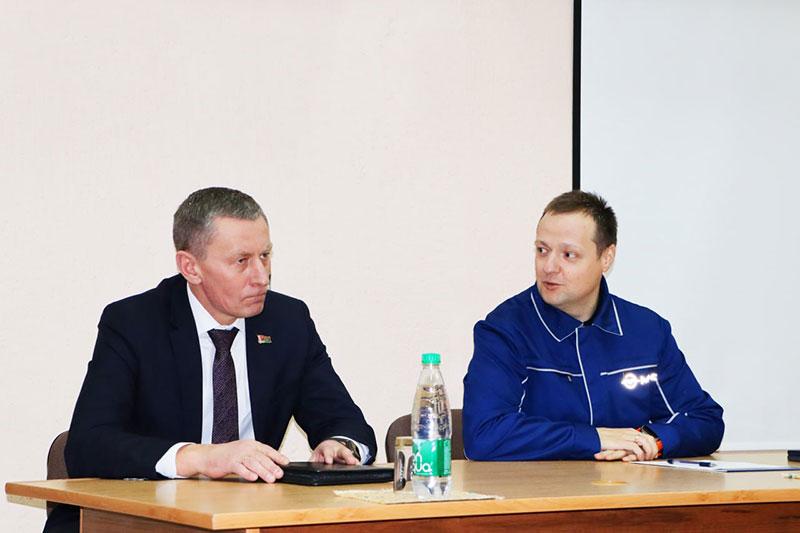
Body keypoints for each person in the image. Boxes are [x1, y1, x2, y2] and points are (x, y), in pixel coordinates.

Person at [46, 187, 376, 532]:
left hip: (245, 518)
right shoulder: (134, 323)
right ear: (191, 267)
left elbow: (346, 423)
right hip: (141, 518)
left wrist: (340, 445)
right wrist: (201, 457)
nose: (261, 276)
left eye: (265, 256)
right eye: (241, 261)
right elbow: (88, 445)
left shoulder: (287, 321)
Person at [462, 191, 723, 462]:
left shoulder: (647, 331)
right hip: (542, 487)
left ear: (606, 258)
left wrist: (651, 440)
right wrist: (595, 438)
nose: (549, 267)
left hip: (631, 486)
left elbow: (705, 420)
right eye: (542, 250)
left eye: (568, 255)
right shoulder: (504, 330)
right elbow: (484, 434)